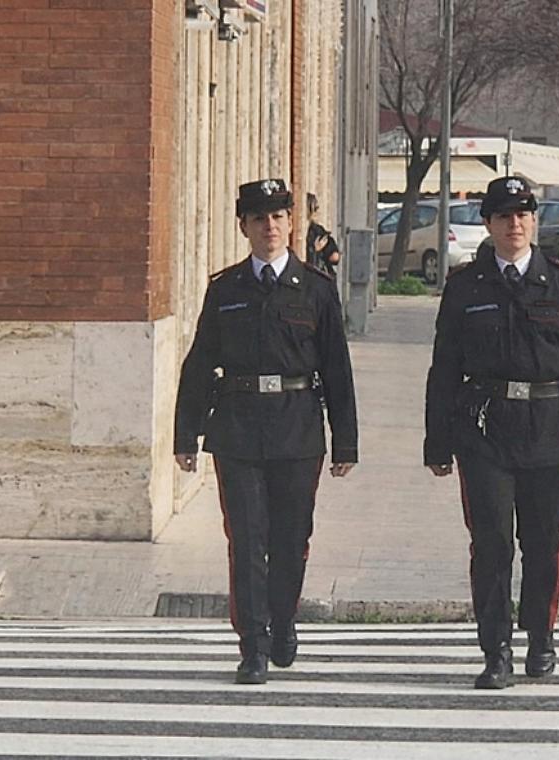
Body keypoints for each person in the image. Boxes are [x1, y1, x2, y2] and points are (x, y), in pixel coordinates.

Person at [424, 176, 559, 690]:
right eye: (505, 216)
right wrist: (437, 442)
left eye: (524, 215)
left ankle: (540, 638)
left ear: (534, 222)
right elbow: (443, 368)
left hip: (549, 429)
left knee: (542, 542)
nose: (515, 224)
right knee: (490, 544)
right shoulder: (466, 288)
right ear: (488, 225)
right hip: (484, 431)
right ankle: (497, 650)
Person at [174, 178, 358, 685]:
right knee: (247, 540)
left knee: (292, 537)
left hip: (297, 428)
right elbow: (199, 365)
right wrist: (185, 436)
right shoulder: (225, 289)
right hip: (237, 430)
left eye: (278, 216)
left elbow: (337, 370)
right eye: (259, 218)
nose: (269, 226)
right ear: (244, 227)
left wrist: (346, 441)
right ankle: (252, 644)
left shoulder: (317, 291)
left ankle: (283, 623)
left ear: (291, 223)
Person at [306, 193, 341, 277]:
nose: (317, 212)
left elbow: (334, 256)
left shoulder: (316, 230)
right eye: (315, 208)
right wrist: (315, 250)